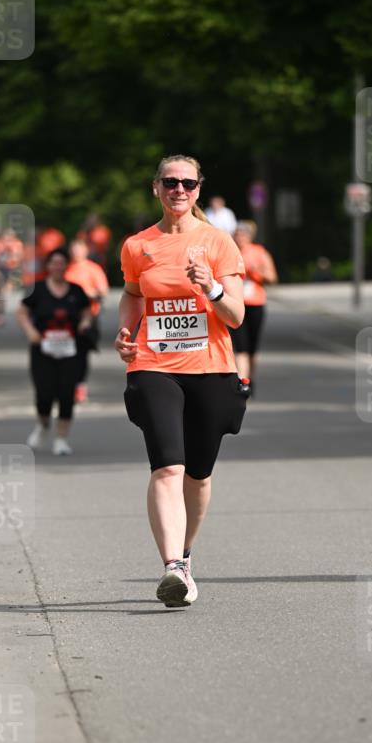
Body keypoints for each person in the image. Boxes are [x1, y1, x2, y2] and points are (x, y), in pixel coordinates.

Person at [115, 154, 247, 607]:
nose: (179, 190)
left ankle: (186, 555)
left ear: (198, 190)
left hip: (211, 367)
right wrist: (127, 333)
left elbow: (235, 315)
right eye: (170, 182)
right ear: (156, 187)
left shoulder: (218, 243)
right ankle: (171, 567)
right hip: (153, 365)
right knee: (167, 466)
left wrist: (211, 288)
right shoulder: (137, 246)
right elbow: (132, 296)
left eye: (187, 184)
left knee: (198, 473)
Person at [16, 248, 92, 455]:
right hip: (43, 350)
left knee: (67, 394)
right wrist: (31, 332)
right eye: (53, 263)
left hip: (71, 351)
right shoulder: (37, 290)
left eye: (61, 263)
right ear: (47, 266)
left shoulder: (76, 291)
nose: (57, 267)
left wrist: (85, 323)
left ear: (67, 266)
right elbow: (22, 312)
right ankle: (42, 425)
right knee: (44, 393)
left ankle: (61, 439)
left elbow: (87, 312)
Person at [229, 220, 278, 394]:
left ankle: (252, 378)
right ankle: (243, 382)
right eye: (237, 234)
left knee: (252, 348)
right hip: (235, 305)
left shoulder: (259, 253)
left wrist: (256, 271)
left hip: (256, 304)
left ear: (250, 236)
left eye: (243, 234)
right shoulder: (229, 251)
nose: (239, 237)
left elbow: (272, 278)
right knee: (240, 347)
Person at [66, 238, 110, 402]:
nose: (76, 252)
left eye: (79, 249)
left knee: (81, 353)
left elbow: (103, 292)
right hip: (66, 317)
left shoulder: (93, 269)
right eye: (73, 249)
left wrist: (88, 293)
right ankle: (66, 385)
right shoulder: (65, 268)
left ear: (85, 251)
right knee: (65, 353)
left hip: (89, 316)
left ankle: (80, 386)